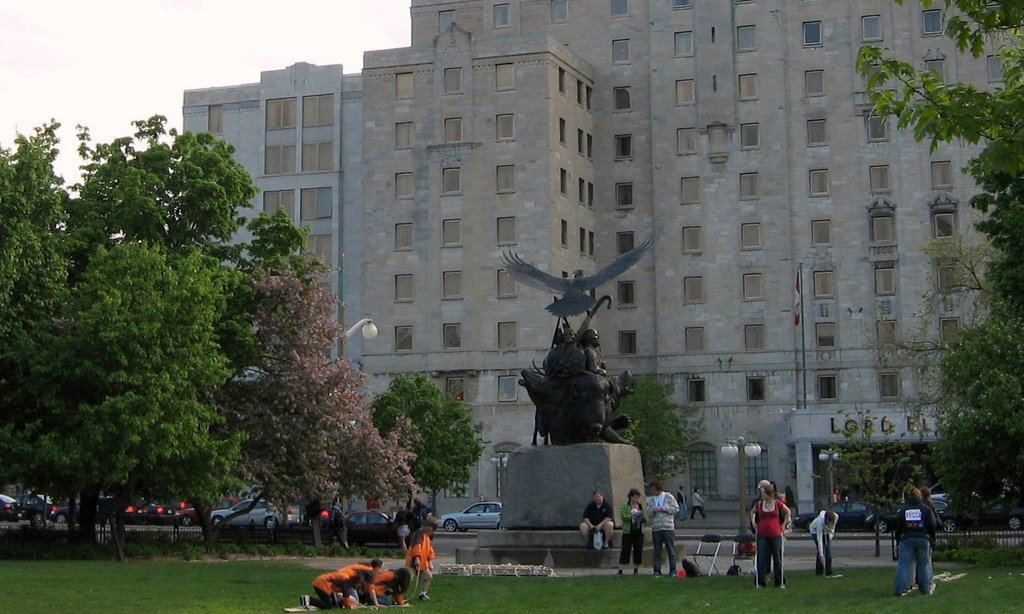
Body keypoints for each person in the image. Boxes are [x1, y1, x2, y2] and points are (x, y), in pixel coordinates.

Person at [893, 487, 937, 597]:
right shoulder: (925, 509)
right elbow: (932, 524)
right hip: (922, 538)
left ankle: (899, 590)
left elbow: (898, 526)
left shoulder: (904, 510)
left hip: (907, 538)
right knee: (923, 565)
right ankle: (925, 590)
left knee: (903, 564)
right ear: (919, 496)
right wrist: (931, 537)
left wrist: (898, 539)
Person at [751, 483, 791, 588]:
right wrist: (753, 522)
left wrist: (783, 525)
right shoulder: (759, 504)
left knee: (777, 558)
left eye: (764, 493)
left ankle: (779, 581)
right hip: (762, 534)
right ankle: (760, 581)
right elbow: (753, 512)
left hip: (775, 534)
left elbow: (787, 512)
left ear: (768, 494)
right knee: (761, 558)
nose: (762, 495)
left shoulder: (777, 504)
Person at [302, 559, 381, 610]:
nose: (357, 587)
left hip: (324, 583)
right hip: (322, 584)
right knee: (327, 606)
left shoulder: (361, 569)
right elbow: (346, 595)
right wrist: (349, 606)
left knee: (333, 604)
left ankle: (334, 599)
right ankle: (308, 600)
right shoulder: (346, 580)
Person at [647, 481, 679, 576]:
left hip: (668, 527)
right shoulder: (651, 500)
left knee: (671, 550)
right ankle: (657, 570)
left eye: (654, 489)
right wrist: (653, 510)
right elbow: (648, 513)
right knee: (657, 550)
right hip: (656, 528)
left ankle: (673, 570)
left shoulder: (669, 497)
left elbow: (676, 508)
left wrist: (666, 509)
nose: (652, 491)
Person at [406, 516, 438, 601]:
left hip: (423, 563)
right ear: (426, 526)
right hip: (413, 562)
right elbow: (416, 546)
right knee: (407, 578)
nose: (431, 530)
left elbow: (429, 549)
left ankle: (423, 594)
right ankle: (396, 593)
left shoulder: (428, 536)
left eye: (432, 529)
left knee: (428, 576)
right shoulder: (419, 533)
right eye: (430, 527)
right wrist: (417, 558)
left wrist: (430, 561)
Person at [617, 488, 645, 575]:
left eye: (637, 497)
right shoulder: (625, 506)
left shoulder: (639, 506)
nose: (636, 499)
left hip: (638, 530)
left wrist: (641, 518)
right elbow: (624, 517)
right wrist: (632, 516)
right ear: (631, 497)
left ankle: (636, 569)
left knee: (638, 549)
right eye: (635, 497)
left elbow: (643, 516)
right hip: (628, 530)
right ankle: (621, 569)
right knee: (625, 549)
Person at [808, 510, 839, 577]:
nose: (829, 524)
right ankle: (819, 572)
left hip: (827, 532)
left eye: (830, 523)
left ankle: (829, 572)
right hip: (815, 531)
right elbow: (819, 539)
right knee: (821, 551)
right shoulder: (820, 521)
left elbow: (832, 530)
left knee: (828, 552)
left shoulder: (836, 516)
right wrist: (821, 555)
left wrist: (829, 538)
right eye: (828, 523)